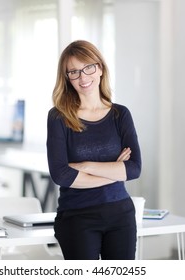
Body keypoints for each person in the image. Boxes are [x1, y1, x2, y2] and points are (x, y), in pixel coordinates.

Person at [46, 40, 142, 260]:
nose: (83, 77)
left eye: (88, 67)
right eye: (74, 72)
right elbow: (61, 174)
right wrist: (114, 171)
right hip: (77, 217)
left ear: (100, 68)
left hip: (121, 214)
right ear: (67, 78)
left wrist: (87, 167)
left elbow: (134, 169)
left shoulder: (120, 115)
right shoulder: (58, 117)